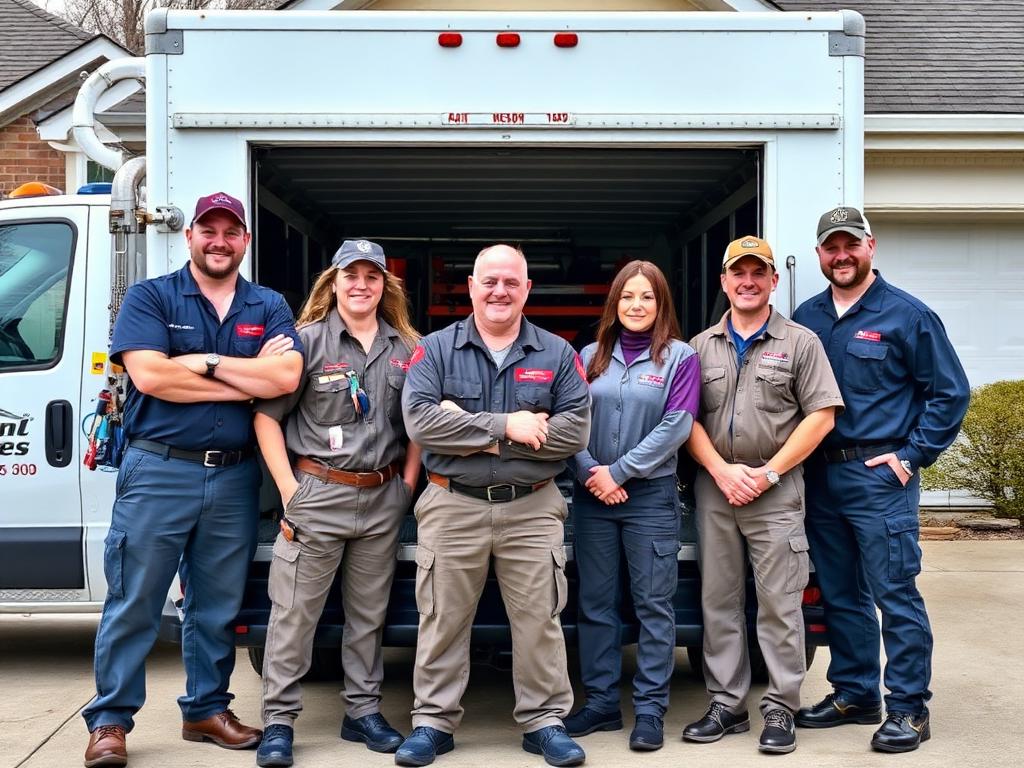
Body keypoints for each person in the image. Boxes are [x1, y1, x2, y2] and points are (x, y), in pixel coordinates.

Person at [82, 192, 304, 767]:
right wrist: (243, 380)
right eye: (210, 230)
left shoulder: (269, 304)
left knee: (215, 606)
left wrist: (199, 363)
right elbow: (151, 377)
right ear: (191, 237)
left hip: (232, 479)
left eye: (232, 231)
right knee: (135, 599)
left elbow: (286, 377)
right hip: (159, 468)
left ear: (245, 241)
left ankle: (206, 710)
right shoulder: (151, 295)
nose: (219, 241)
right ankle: (110, 721)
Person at [396, 244, 591, 768]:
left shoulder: (557, 352)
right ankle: (433, 722)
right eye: (489, 281)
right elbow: (420, 423)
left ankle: (545, 721)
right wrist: (508, 427)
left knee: (539, 619)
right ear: (472, 287)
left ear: (527, 289)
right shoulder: (434, 349)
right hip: (450, 503)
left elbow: (574, 432)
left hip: (532, 506)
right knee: (441, 617)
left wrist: (465, 424)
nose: (499, 291)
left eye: (511, 282)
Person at [792, 207, 969, 753]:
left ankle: (910, 708)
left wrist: (913, 455)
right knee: (842, 593)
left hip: (880, 478)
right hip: (821, 476)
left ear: (871, 246)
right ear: (820, 253)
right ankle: (854, 692)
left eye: (851, 245)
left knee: (894, 592)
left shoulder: (907, 315)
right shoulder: (808, 316)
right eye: (831, 247)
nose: (841, 255)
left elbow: (950, 393)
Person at [252, 240, 422, 767]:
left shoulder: (408, 347)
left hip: (382, 497)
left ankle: (362, 712)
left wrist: (407, 487)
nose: (361, 285)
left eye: (373, 276)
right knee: (294, 615)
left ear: (384, 287)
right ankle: (278, 722)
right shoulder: (302, 343)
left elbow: (418, 422)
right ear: (334, 282)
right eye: (352, 275)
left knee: (367, 616)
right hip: (317, 494)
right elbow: (265, 418)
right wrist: (288, 490)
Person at [683, 236, 843, 755]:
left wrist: (768, 473)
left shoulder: (801, 342)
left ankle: (780, 707)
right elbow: (683, 420)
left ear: (774, 280)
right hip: (716, 488)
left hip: (775, 491)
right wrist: (721, 471)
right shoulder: (700, 346)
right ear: (725, 282)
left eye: (759, 272)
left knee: (779, 603)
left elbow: (821, 415)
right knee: (719, 602)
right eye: (738, 273)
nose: (747, 282)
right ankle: (726, 704)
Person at [562, 261, 699, 751]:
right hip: (592, 495)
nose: (636, 306)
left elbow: (677, 426)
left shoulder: (680, 358)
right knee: (595, 603)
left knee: (652, 606)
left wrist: (618, 473)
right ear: (613, 304)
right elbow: (568, 420)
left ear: (661, 304)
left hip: (649, 499)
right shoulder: (588, 356)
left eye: (647, 297)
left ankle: (649, 711)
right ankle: (600, 704)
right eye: (627, 297)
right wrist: (589, 472)